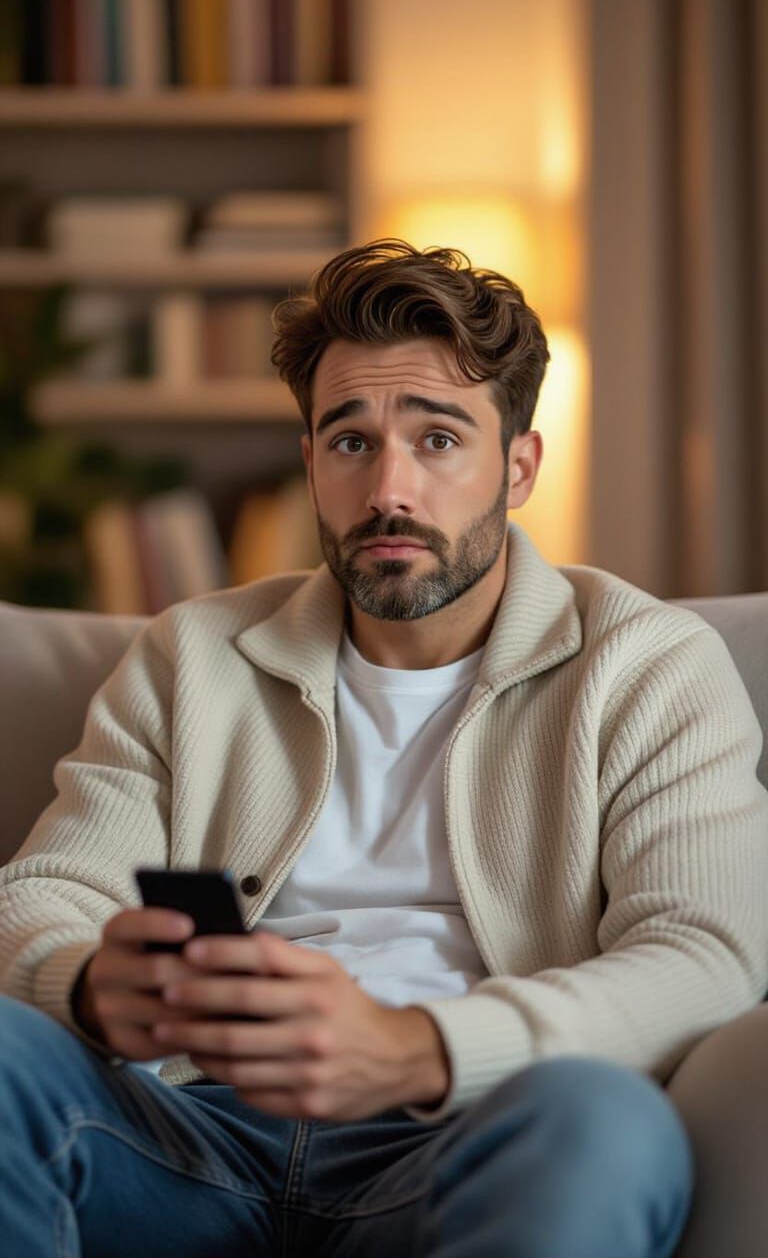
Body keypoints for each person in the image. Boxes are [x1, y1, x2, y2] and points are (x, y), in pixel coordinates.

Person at [1, 239, 767, 1258]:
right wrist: (90, 983)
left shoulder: (648, 665)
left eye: (438, 438)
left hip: (464, 1137)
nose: (388, 490)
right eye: (351, 441)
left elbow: (706, 956)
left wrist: (417, 1049)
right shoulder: (193, 655)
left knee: (603, 1123)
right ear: (312, 463)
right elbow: (44, 890)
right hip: (186, 1135)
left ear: (519, 467)